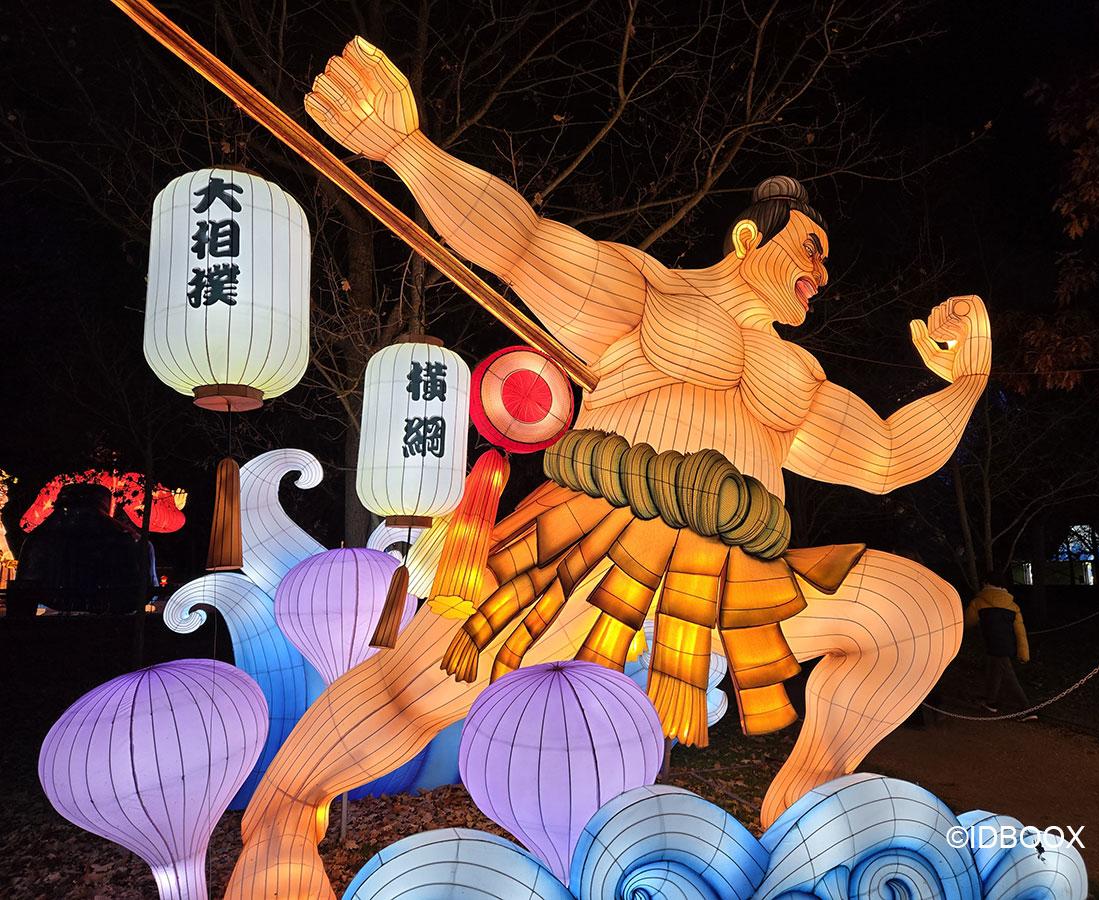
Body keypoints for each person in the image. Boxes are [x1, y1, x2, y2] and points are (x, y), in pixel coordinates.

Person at [224, 39, 992, 899]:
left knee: (916, 611)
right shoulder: (645, 293)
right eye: (809, 248)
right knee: (412, 691)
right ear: (749, 237)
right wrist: (407, 148)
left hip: (741, 582)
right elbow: (516, 242)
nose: (820, 273)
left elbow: (886, 457)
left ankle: (807, 789)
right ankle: (284, 817)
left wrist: (966, 383)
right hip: (594, 545)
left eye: (825, 261)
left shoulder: (798, 379)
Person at [965, 569, 1036, 720]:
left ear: (986, 583)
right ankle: (991, 702)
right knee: (995, 672)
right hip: (1006, 645)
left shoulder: (979, 602)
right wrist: (1024, 654)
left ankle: (1027, 709)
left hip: (992, 645)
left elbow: (968, 622)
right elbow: (1020, 633)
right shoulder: (1013, 606)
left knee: (1009, 677)